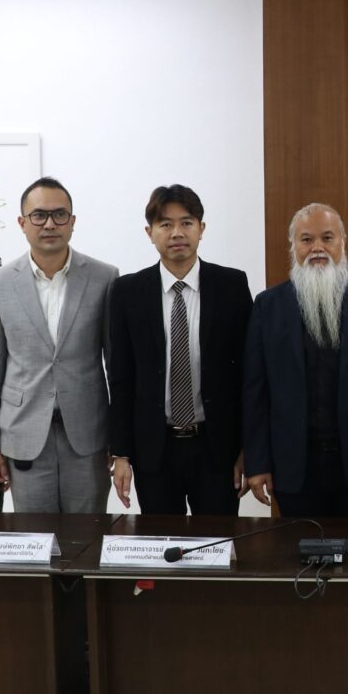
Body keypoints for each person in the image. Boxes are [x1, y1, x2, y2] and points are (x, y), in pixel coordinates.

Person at [243, 203, 348, 517]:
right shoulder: (268, 306)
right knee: (297, 546)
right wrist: (258, 463)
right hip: (292, 467)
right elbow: (255, 392)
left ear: (343, 243)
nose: (317, 248)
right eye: (306, 239)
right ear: (293, 247)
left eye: (327, 238)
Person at [108, 185, 252, 515]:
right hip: (154, 449)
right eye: (165, 224)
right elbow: (121, 377)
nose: (177, 233)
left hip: (217, 447)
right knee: (161, 541)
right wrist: (121, 453)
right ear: (150, 232)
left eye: (186, 223)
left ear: (201, 228)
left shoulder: (231, 285)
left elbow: (247, 373)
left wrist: (248, 447)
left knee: (217, 540)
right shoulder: (128, 291)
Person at [0, 177, 117, 512]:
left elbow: (117, 366)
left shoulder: (104, 277)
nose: (50, 224)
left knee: (85, 535)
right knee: (34, 535)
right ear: (22, 222)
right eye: (39, 215)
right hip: (23, 435)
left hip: (88, 435)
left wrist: (121, 441)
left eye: (59, 214)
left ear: (72, 221)